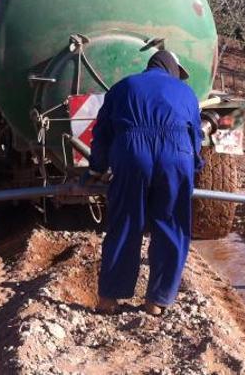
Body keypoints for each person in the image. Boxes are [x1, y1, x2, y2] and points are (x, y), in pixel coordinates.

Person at [84, 50, 204, 315]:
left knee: (125, 223)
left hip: (131, 154)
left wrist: (96, 169)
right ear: (172, 68)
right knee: (172, 225)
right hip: (176, 156)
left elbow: (102, 132)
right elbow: (195, 136)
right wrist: (192, 168)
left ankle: (109, 299)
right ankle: (157, 301)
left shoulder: (123, 86)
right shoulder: (186, 93)